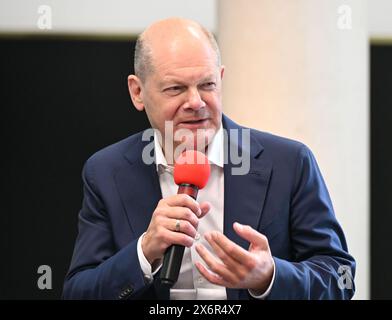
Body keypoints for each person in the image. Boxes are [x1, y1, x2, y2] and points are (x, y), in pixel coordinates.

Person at [63, 18, 355, 300]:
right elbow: (78, 292)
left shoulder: (289, 163)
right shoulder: (106, 172)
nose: (196, 102)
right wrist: (144, 251)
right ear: (137, 92)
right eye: (175, 88)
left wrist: (270, 276)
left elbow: (340, 278)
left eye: (207, 85)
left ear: (221, 79)